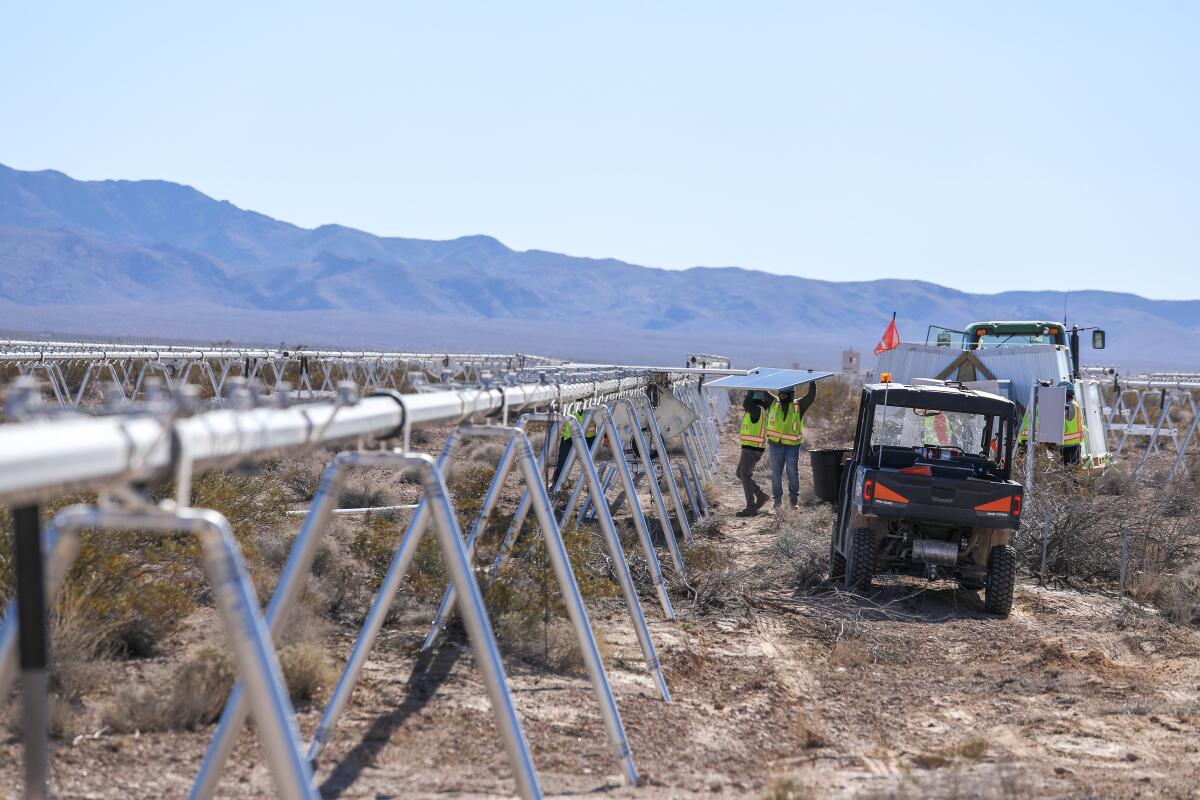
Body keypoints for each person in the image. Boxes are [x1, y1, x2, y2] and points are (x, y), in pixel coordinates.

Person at [766, 382, 817, 508]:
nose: (782, 396)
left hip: (792, 446)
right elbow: (762, 391)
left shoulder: (799, 405)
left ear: (791, 394)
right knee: (776, 473)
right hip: (775, 445)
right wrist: (758, 377)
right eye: (780, 394)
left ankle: (793, 500)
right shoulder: (773, 402)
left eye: (785, 394)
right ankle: (777, 501)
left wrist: (812, 382)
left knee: (792, 472)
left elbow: (810, 396)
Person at [735, 391, 771, 517]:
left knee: (745, 476)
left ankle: (751, 507)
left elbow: (746, 403)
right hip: (752, 448)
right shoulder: (759, 410)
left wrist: (750, 389)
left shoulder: (756, 410)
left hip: (751, 449)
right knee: (740, 474)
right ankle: (760, 495)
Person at [551, 409, 596, 488]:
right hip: (568, 436)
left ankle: (594, 493)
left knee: (588, 467)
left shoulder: (594, 398)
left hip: (587, 437)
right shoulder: (569, 398)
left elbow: (599, 417)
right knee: (561, 464)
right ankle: (555, 488)